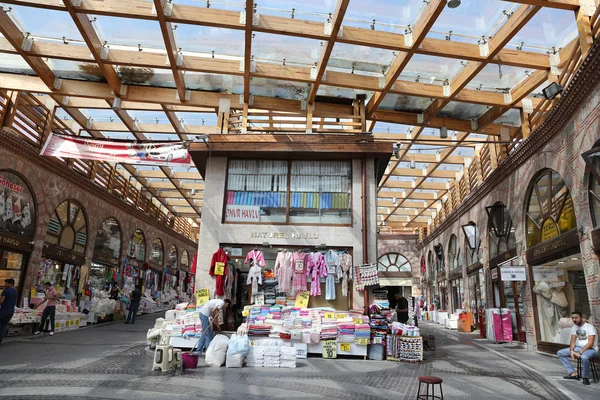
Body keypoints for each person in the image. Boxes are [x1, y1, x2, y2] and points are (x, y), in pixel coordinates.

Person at [557, 311, 598, 385]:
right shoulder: (574, 327)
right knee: (560, 353)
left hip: (591, 349)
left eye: (576, 318)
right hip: (578, 348)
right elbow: (572, 341)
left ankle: (585, 377)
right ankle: (573, 373)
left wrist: (580, 352)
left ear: (581, 318)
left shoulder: (589, 327)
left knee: (584, 357)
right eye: (573, 318)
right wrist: (572, 350)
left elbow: (590, 343)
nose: (574, 319)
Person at [0, 279, 18, 346]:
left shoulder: (6, 291)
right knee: (4, 326)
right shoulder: (15, 291)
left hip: (3, 310)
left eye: (6, 283)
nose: (5, 285)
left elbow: (1, 301)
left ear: (10, 284)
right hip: (11, 311)